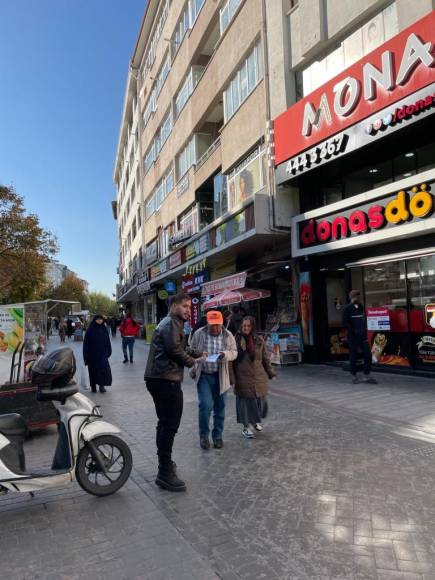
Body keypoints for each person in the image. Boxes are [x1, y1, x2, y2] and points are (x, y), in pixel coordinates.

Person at [144, 293, 203, 492]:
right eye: (185, 306)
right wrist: (193, 361)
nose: (188, 309)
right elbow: (174, 350)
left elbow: (180, 346)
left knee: (165, 424)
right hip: (164, 380)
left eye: (189, 306)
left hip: (161, 378)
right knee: (170, 425)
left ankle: (165, 465)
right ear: (174, 306)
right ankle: (164, 472)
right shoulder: (171, 323)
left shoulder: (173, 323)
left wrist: (197, 353)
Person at [190, 310, 237, 451]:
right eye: (212, 325)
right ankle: (204, 436)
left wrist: (225, 354)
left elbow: (234, 352)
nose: (215, 328)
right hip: (204, 375)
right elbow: (190, 351)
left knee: (220, 408)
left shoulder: (228, 335)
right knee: (205, 405)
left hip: (221, 375)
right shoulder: (199, 334)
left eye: (217, 325)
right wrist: (193, 367)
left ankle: (217, 436)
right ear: (208, 323)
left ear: (222, 323)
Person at [233, 316, 276, 438]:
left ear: (252, 327)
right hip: (242, 376)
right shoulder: (235, 339)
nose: (246, 328)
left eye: (248, 326)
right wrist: (231, 378)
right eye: (244, 326)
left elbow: (265, 358)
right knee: (245, 403)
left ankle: (254, 421)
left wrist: (271, 373)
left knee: (260, 402)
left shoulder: (258, 340)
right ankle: (246, 427)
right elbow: (231, 362)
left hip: (258, 376)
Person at [343, 290, 378, 385]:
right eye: (355, 297)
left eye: (358, 297)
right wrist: (354, 330)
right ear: (351, 297)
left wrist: (365, 328)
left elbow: (364, 319)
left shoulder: (361, 307)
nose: (357, 298)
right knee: (353, 355)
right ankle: (354, 376)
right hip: (353, 336)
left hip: (363, 335)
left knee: (368, 355)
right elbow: (345, 323)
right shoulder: (347, 309)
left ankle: (366, 374)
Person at [83, 314, 112, 394]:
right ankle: (93, 387)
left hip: (102, 354)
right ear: (95, 320)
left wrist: (109, 351)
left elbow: (107, 341)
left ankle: (101, 386)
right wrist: (85, 355)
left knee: (103, 369)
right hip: (92, 354)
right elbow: (86, 343)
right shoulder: (90, 330)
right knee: (93, 371)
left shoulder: (104, 329)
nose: (100, 321)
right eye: (98, 319)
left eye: (101, 319)